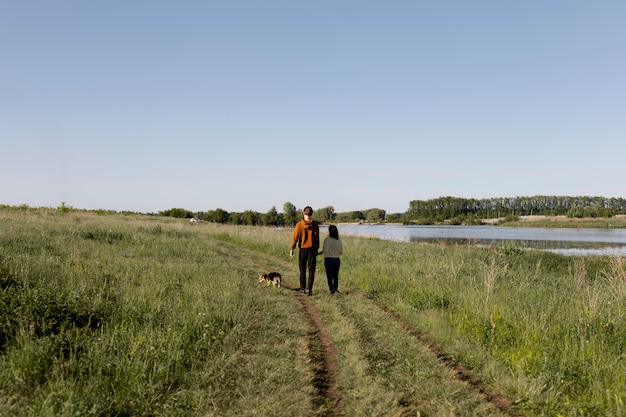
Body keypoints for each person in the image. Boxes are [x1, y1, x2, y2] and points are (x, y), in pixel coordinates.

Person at [289, 206, 320, 295]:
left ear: (304, 213)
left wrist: (292, 248)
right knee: (311, 271)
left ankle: (302, 289)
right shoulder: (315, 225)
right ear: (311, 214)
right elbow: (317, 238)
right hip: (312, 249)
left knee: (302, 270)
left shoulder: (299, 224)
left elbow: (295, 237)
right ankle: (309, 290)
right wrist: (317, 249)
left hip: (303, 249)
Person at [320, 225, 343, 294]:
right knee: (335, 275)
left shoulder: (327, 240)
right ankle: (336, 288)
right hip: (336, 259)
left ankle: (331, 289)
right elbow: (340, 251)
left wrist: (318, 253)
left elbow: (325, 251)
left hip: (329, 259)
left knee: (329, 276)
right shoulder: (338, 240)